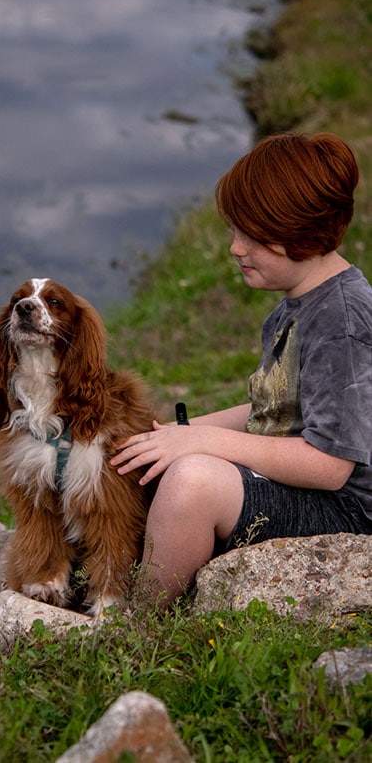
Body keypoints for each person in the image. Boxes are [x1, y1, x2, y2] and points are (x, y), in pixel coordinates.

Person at [110, 132, 372, 608]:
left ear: (298, 228)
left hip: (345, 512)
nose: (235, 248)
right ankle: (108, 578)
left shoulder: (343, 321)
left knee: (192, 482)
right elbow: (271, 408)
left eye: (250, 233)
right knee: (153, 461)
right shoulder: (295, 306)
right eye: (234, 231)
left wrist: (202, 444)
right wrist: (175, 431)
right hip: (302, 491)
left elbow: (331, 466)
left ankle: (139, 621)